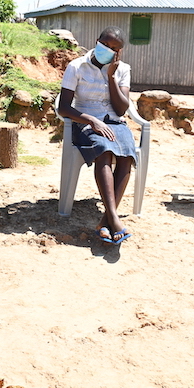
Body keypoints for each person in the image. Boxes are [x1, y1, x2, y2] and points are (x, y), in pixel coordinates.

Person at [58, 26, 136, 244]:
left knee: (126, 156)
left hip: (115, 122)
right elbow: (63, 107)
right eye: (106, 44)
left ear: (119, 52)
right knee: (103, 151)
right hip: (85, 121)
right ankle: (114, 219)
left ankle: (105, 221)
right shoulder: (76, 66)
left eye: (114, 48)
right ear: (97, 41)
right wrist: (92, 120)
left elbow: (121, 110)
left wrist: (111, 77)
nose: (108, 50)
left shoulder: (123, 70)